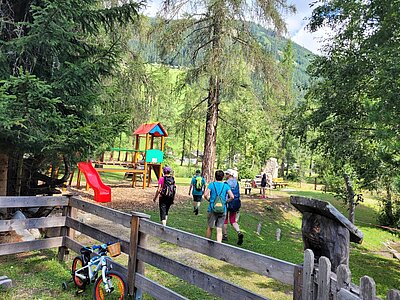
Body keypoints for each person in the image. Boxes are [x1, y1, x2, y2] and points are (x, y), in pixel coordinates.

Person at [204, 170, 234, 243]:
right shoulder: (226, 186)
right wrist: (226, 201)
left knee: (210, 227)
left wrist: (209, 200)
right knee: (219, 228)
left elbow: (205, 194)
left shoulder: (211, 185)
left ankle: (208, 242)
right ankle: (219, 244)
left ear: (215, 176)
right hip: (222, 209)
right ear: (223, 177)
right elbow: (232, 196)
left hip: (212, 208)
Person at [223, 169, 244, 245]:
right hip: (235, 203)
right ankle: (239, 232)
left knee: (225, 220)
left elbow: (225, 194)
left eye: (226, 174)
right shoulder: (236, 183)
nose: (225, 175)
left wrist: (224, 202)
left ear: (229, 175)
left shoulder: (226, 183)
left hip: (228, 202)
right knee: (233, 221)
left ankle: (225, 236)